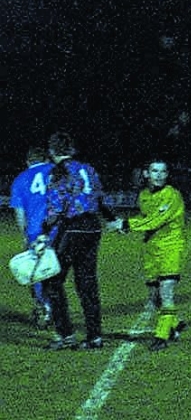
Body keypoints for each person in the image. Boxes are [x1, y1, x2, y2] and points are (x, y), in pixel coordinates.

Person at [41, 132, 109, 350]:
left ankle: (65, 334)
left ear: (52, 151)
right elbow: (100, 198)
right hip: (93, 228)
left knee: (52, 281)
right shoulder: (87, 168)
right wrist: (111, 219)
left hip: (73, 228)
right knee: (87, 283)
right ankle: (94, 336)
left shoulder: (58, 172)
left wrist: (44, 231)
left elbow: (56, 207)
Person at [115, 160, 188, 345]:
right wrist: (126, 225)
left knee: (166, 292)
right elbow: (145, 218)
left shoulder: (171, 195)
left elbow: (156, 220)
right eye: (154, 171)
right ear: (146, 174)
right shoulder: (144, 195)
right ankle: (175, 323)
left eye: (163, 171)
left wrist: (126, 224)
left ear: (167, 174)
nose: (159, 175)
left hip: (170, 247)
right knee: (154, 296)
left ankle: (162, 336)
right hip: (151, 249)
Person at [10, 146, 55, 325]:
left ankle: (44, 307)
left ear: (28, 161)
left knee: (37, 272)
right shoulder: (56, 171)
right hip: (60, 229)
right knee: (57, 271)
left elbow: (19, 213)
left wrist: (25, 234)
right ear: (46, 159)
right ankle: (56, 307)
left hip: (36, 232)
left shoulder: (20, 179)